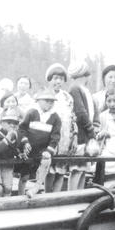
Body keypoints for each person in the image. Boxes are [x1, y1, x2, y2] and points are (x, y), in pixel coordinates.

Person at [17, 89, 61, 197]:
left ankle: (35, 188)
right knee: (24, 176)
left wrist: (49, 150)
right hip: (28, 147)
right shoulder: (32, 113)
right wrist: (25, 142)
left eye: (52, 101)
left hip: (43, 149)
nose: (49, 103)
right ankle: (20, 195)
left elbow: (55, 136)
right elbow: (22, 129)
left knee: (46, 161)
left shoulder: (55, 117)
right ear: (39, 101)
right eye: (47, 101)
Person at [67, 60, 98, 190]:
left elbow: (94, 111)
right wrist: (91, 130)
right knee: (76, 169)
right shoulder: (75, 88)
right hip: (79, 134)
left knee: (83, 169)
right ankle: (72, 196)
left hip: (86, 134)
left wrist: (95, 125)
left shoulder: (85, 90)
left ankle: (78, 195)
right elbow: (80, 112)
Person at [45, 63, 76, 193]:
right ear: (49, 79)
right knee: (49, 170)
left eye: (61, 79)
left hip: (65, 139)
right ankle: (47, 196)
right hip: (49, 139)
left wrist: (74, 136)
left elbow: (73, 119)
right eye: (55, 78)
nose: (58, 81)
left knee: (61, 170)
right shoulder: (44, 95)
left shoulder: (67, 98)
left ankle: (56, 197)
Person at [0, 109, 25, 197]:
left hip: (7, 164)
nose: (12, 125)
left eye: (15, 123)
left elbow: (14, 149)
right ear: (1, 123)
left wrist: (19, 153)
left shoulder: (15, 136)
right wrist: (8, 137)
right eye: (9, 122)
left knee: (8, 188)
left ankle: (5, 206)